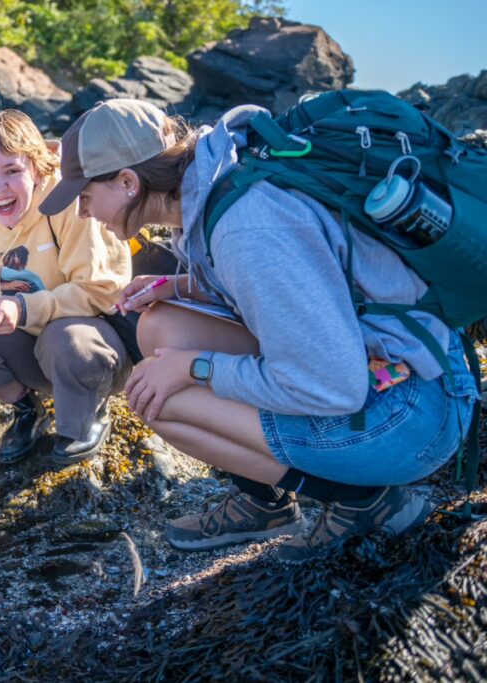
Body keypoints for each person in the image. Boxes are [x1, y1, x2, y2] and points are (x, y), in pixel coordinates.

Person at [41, 98, 480, 561]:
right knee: (161, 328)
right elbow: (304, 282)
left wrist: (197, 367)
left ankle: (365, 504)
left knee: (160, 398)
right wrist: (180, 285)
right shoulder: (222, 176)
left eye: (84, 195)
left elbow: (330, 387)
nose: (83, 211)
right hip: (400, 369)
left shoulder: (244, 228)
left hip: (409, 414)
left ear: (128, 182)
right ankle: (264, 503)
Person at [0, 110, 132, 466]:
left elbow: (103, 291)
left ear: (36, 167)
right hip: (25, 343)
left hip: (94, 343)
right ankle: (25, 408)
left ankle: (89, 413)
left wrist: (24, 307)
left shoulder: (70, 203)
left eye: (12, 171)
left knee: (64, 339)